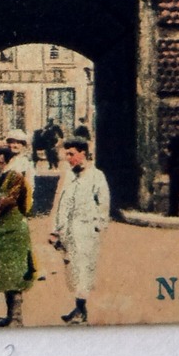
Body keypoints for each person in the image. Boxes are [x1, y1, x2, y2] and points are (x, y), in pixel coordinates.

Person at [50, 137, 110, 325]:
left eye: (71, 154)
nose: (68, 158)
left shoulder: (96, 175)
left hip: (85, 229)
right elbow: (60, 203)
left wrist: (97, 226)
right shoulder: (68, 175)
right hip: (68, 229)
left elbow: (104, 203)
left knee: (84, 269)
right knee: (72, 269)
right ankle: (78, 307)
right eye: (66, 154)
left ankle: (81, 310)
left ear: (83, 153)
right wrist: (55, 230)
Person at [0, 138, 35, 328]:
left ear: (2, 158)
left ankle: (17, 318)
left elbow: (10, 200)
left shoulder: (15, 177)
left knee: (15, 273)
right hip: (0, 231)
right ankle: (8, 315)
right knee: (4, 274)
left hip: (14, 231)